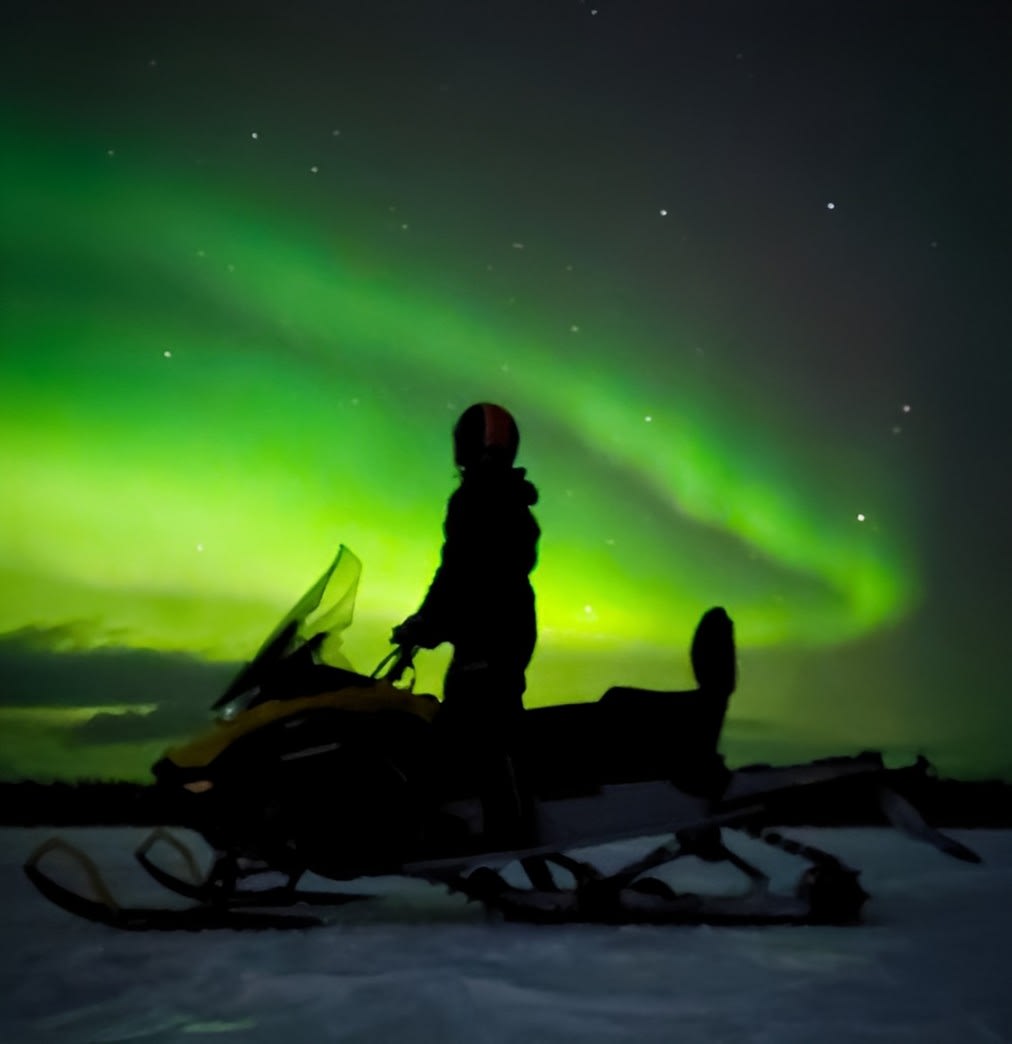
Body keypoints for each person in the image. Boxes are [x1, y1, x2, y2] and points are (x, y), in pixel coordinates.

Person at [392, 402, 540, 845]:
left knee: (472, 728)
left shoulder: (479, 496)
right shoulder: (504, 495)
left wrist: (426, 624)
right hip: (501, 628)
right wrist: (430, 623)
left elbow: (461, 571)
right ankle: (487, 828)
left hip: (489, 634)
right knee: (482, 723)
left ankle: (504, 832)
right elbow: (469, 571)